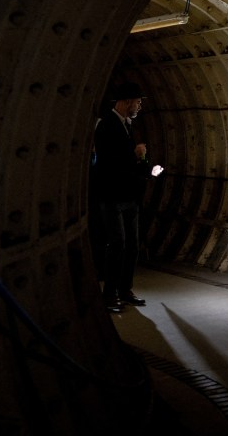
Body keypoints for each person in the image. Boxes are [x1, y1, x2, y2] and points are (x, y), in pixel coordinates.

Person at [93, 81, 163, 312]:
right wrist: (135, 155)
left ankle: (125, 290)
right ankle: (109, 295)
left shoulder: (127, 125)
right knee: (117, 244)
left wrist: (147, 167)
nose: (140, 105)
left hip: (129, 197)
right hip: (111, 196)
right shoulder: (106, 125)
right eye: (138, 101)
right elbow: (107, 162)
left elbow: (131, 163)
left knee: (132, 245)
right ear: (125, 102)